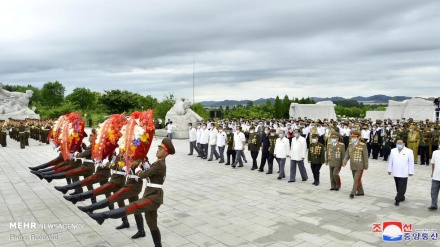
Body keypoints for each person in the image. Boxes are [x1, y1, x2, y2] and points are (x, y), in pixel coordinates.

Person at [87, 138, 175, 247]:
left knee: (133, 206)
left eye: (161, 149)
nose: (158, 150)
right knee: (152, 223)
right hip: (150, 194)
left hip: (153, 197)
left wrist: (138, 169)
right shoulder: (157, 163)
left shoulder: (159, 165)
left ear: (166, 152)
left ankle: (103, 216)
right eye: (158, 148)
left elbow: (143, 174)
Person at [388, 139, 414, 206]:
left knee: (402, 186)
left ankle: (398, 199)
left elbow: (411, 162)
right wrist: (389, 169)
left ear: (404, 144)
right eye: (397, 143)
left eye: (400, 143)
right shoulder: (393, 150)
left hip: (404, 172)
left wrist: (411, 171)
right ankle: (402, 196)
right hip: (396, 171)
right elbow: (391, 161)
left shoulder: (409, 151)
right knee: (397, 185)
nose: (399, 144)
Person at [343, 131, 368, 199]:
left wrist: (366, 165)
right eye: (352, 137)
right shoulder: (350, 144)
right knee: (356, 179)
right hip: (353, 165)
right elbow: (347, 154)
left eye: (354, 137)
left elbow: (365, 156)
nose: (353, 138)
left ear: (358, 137)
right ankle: (360, 191)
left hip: (360, 165)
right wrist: (345, 161)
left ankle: (353, 192)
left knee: (356, 180)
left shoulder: (363, 145)